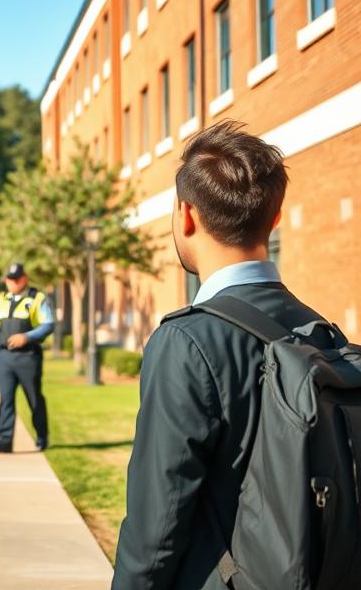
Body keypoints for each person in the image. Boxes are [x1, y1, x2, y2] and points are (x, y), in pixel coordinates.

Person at [113, 121, 340, 589]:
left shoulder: (186, 343)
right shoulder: (325, 335)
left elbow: (157, 523)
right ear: (274, 218)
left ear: (186, 215)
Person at [0, 262, 55, 453]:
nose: (13, 283)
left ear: (25, 278)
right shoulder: (0, 299)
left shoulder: (37, 299)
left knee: (34, 399)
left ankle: (41, 436)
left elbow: (48, 325)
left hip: (28, 357)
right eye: (10, 279)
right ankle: (4, 441)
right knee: (6, 399)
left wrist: (27, 337)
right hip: (5, 357)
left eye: (16, 279)